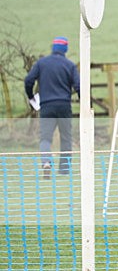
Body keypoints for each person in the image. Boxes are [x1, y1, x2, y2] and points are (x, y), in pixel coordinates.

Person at [24, 36, 80, 178]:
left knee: (45, 138)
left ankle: (46, 162)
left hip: (46, 105)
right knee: (66, 138)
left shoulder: (41, 63)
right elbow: (79, 86)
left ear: (53, 48)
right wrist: (85, 103)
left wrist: (31, 96)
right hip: (64, 106)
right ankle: (64, 170)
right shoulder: (69, 65)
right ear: (65, 49)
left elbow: (29, 80)